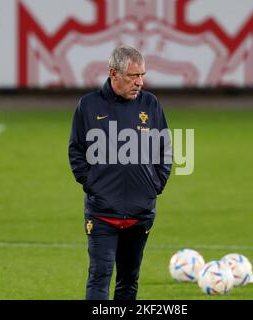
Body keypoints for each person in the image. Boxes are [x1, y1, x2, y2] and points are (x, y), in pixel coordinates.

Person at [68, 45, 172, 300]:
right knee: (100, 276)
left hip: (140, 213)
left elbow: (165, 149)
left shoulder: (151, 104)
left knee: (129, 281)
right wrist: (92, 184)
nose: (140, 82)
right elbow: (76, 151)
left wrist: (155, 185)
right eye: (133, 76)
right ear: (114, 73)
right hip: (103, 213)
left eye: (142, 75)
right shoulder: (89, 105)